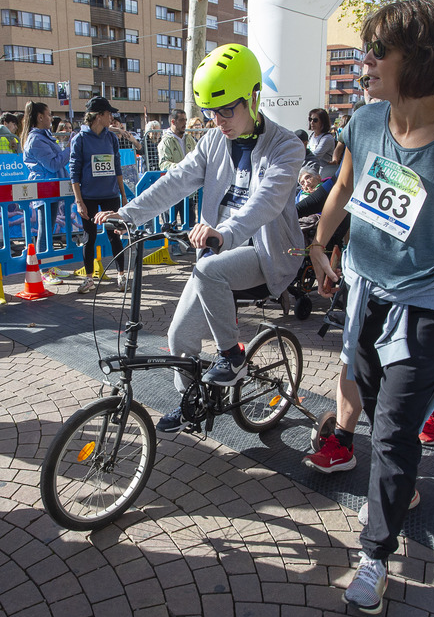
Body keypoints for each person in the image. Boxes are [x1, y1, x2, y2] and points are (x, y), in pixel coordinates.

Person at [306, 0, 434, 616]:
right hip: (364, 287)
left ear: (417, 60)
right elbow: (342, 186)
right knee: (364, 392)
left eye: (376, 52)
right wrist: (319, 243)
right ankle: (403, 486)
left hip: (431, 296)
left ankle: (374, 556)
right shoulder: (364, 121)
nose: (365, 62)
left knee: (394, 428)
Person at [95, 43, 303, 427]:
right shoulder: (212, 142)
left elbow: (266, 203)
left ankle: (232, 355)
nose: (218, 120)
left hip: (264, 250)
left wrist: (222, 233)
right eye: (211, 111)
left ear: (254, 97)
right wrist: (126, 215)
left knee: (209, 272)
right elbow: (175, 181)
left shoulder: (286, 146)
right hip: (216, 252)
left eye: (227, 109)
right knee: (179, 337)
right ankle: (191, 401)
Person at [69, 97, 129, 294]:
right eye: (108, 114)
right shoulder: (80, 139)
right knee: (90, 237)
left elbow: (117, 168)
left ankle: (121, 274)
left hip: (110, 195)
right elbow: (74, 172)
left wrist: (123, 195)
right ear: (98, 116)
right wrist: (79, 201)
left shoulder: (111, 138)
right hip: (89, 197)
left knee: (115, 236)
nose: (111, 117)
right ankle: (88, 279)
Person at [22, 101, 71, 180]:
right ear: (40, 117)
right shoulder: (36, 140)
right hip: (46, 186)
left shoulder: (42, 137)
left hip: (52, 183)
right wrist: (69, 148)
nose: (52, 119)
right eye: (49, 115)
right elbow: (53, 165)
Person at [307, 107, 338, 180]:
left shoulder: (327, 138)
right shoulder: (311, 135)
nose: (312, 122)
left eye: (315, 120)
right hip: (311, 171)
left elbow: (315, 155)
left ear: (323, 122)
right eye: (310, 119)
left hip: (323, 174)